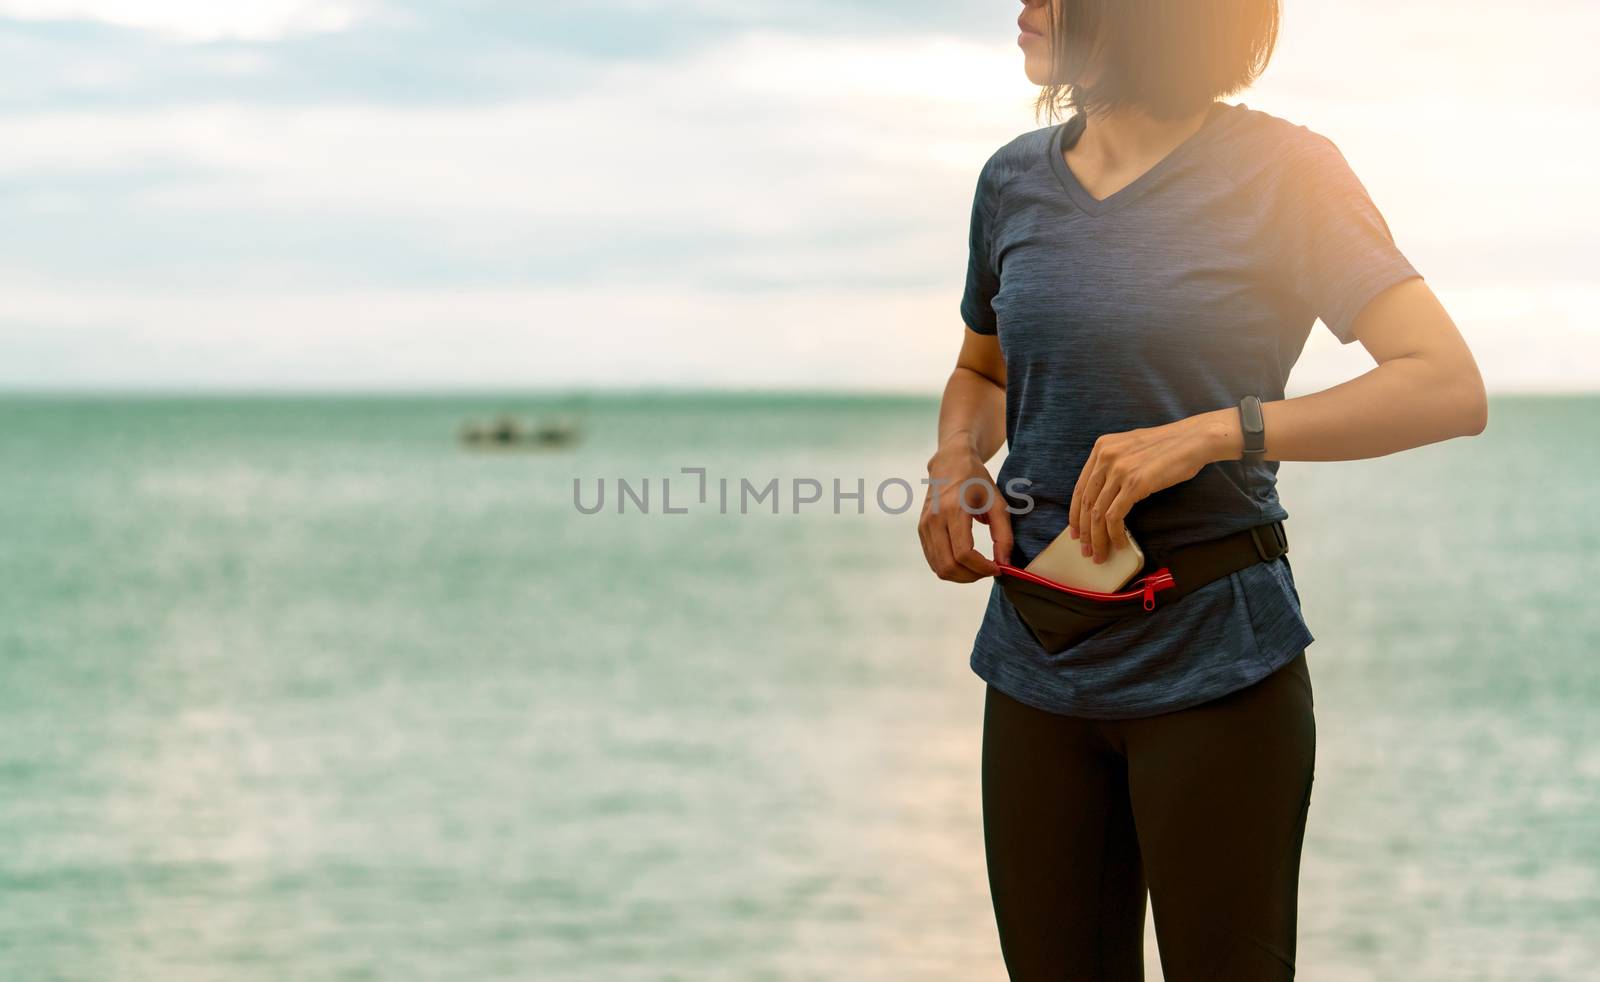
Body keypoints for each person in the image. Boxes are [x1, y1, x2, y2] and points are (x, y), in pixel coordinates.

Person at [916, 1, 1488, 978]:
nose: (1024, 7)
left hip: (1217, 662)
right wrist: (953, 463)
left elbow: (1444, 383)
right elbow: (985, 374)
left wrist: (1216, 432)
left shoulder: (1288, 174)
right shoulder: (1011, 180)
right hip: (1037, 660)